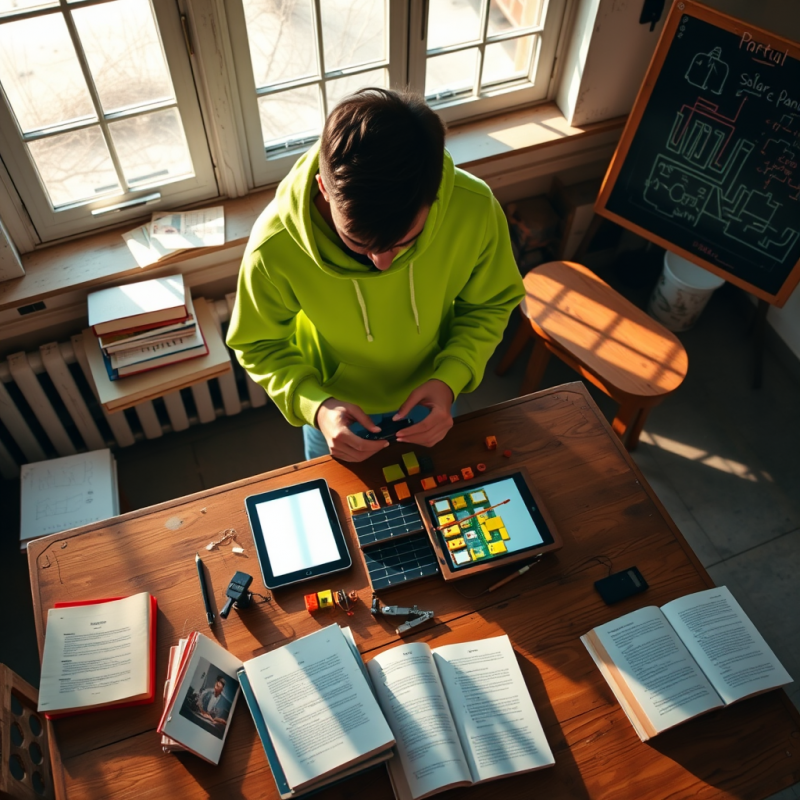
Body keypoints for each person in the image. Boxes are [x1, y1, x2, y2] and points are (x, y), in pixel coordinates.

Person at [227, 88, 524, 462]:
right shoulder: (273, 246)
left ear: (435, 196)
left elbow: (490, 304)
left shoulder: (475, 209)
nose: (383, 264)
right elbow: (258, 344)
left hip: (435, 393)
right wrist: (315, 406)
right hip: (333, 410)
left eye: (405, 243)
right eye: (358, 242)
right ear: (324, 188)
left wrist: (450, 379)